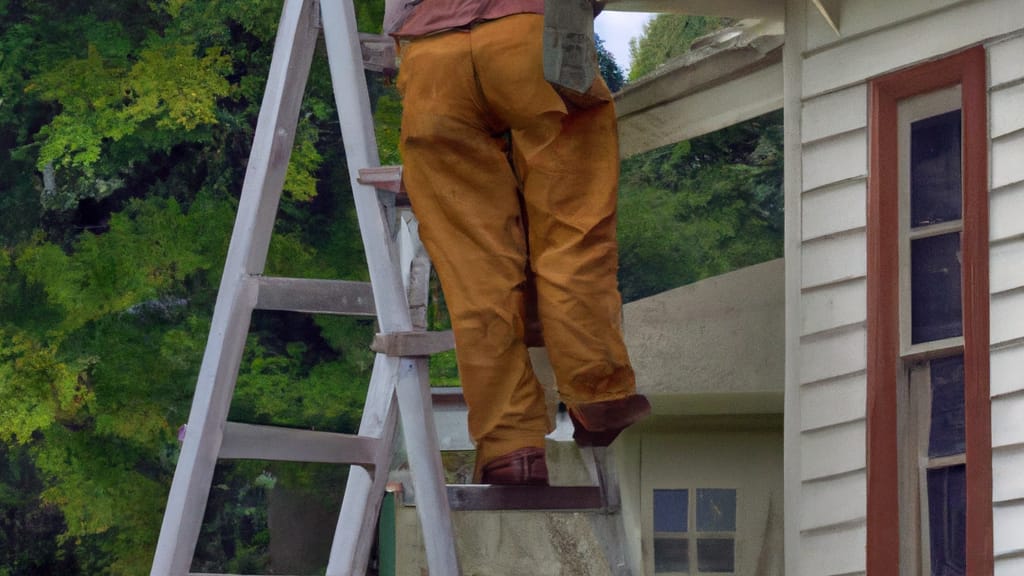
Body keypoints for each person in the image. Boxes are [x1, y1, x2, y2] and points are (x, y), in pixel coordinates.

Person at [384, 0, 650, 486]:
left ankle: (510, 446)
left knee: (475, 271)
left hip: (430, 60)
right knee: (574, 231)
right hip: (536, 34)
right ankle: (598, 393)